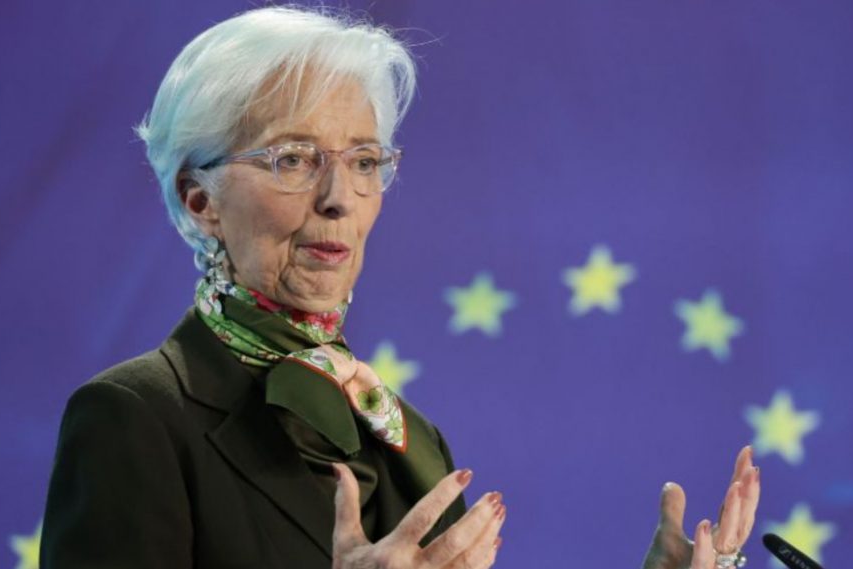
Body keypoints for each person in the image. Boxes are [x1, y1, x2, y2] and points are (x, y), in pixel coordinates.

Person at [39, 6, 760, 569]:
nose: (339, 199)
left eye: (363, 161)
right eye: (294, 159)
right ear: (200, 201)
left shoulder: (403, 434)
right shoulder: (133, 418)